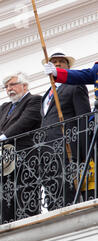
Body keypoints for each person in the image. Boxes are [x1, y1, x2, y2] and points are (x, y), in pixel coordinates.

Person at [0, 72, 42, 222]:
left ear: (24, 85)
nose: (9, 89)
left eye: (12, 84)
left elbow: (24, 123)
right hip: (3, 160)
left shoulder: (34, 100)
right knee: (5, 197)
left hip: (25, 156)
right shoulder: (4, 107)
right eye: (7, 86)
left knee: (25, 193)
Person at [40, 52, 91, 210]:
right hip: (47, 150)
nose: (57, 65)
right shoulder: (46, 95)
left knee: (68, 185)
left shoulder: (75, 85)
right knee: (52, 185)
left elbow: (83, 117)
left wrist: (84, 153)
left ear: (68, 67)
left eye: (61, 62)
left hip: (67, 145)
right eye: (53, 62)